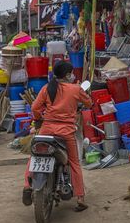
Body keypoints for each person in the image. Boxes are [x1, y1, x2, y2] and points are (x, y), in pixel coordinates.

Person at [22, 61, 92, 212]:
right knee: (74, 163)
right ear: (67, 75)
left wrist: (39, 118)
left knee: (34, 156)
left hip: (46, 130)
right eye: (71, 73)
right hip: (66, 133)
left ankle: (27, 186)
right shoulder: (75, 89)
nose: (73, 75)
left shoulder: (47, 88)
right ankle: (80, 198)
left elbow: (35, 108)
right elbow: (89, 102)